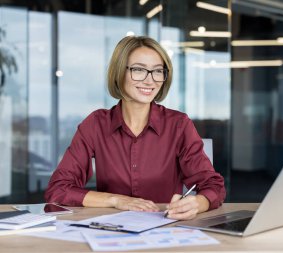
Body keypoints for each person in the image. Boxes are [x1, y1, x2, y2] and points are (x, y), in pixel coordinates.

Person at [45, 36, 226, 220]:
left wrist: (196, 203)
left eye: (157, 71)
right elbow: (58, 189)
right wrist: (116, 200)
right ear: (119, 72)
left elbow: (214, 186)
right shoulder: (96, 124)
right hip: (110, 233)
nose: (150, 81)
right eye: (138, 70)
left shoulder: (178, 125)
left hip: (166, 232)